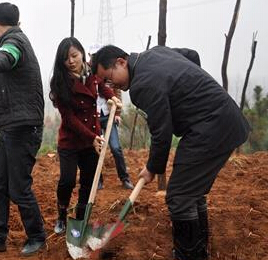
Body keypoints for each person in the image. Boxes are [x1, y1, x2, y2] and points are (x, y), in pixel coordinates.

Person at [90, 45, 251, 260]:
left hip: (211, 126)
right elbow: (192, 54)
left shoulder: (142, 85)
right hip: (218, 120)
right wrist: (191, 94)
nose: (113, 84)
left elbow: (161, 133)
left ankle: (188, 255)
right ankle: (199, 249)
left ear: (121, 62)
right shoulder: (155, 53)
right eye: (107, 83)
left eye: (110, 78)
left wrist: (152, 168)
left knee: (179, 196)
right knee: (191, 191)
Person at [0, 2, 46, 256]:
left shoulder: (15, 42)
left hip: (24, 128)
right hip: (12, 126)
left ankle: (37, 236)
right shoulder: (15, 39)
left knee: (18, 187)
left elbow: (8, 55)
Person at [49, 37, 119, 234]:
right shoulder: (60, 83)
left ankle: (80, 219)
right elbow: (69, 119)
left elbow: (100, 85)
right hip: (71, 141)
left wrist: (110, 95)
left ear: (81, 53)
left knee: (88, 182)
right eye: (66, 58)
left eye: (74, 55)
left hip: (92, 140)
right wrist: (92, 137)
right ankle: (62, 215)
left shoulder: (91, 73)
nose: (71, 61)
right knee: (67, 180)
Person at [89, 44, 134, 190]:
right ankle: (98, 180)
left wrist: (118, 114)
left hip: (108, 115)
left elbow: (117, 91)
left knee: (115, 148)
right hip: (94, 116)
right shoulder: (88, 74)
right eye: (92, 56)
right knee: (97, 150)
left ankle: (124, 178)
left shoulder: (107, 73)